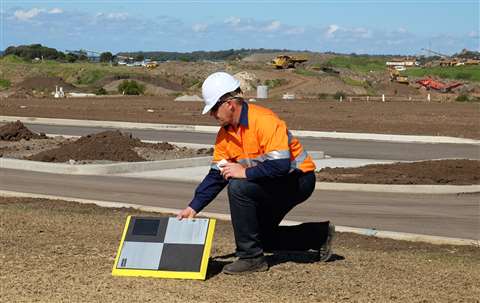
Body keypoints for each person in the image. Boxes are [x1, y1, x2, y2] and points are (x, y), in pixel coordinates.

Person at [177, 72, 334, 275]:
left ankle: (251, 258)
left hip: (298, 180)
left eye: (214, 108)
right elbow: (217, 175)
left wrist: (244, 172)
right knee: (260, 237)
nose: (212, 114)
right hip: (270, 182)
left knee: (238, 187)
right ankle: (319, 236)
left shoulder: (264, 120)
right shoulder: (225, 134)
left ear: (229, 104)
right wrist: (193, 207)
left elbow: (280, 166)